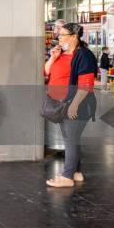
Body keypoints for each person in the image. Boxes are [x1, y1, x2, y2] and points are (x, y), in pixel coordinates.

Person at [43, 23, 97, 188]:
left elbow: (86, 84)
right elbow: (45, 72)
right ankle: (76, 172)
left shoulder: (84, 55)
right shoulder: (61, 54)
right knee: (71, 140)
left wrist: (74, 105)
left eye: (62, 34)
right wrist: (52, 58)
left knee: (71, 140)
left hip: (77, 105)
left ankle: (67, 177)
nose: (58, 37)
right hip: (61, 105)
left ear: (74, 36)